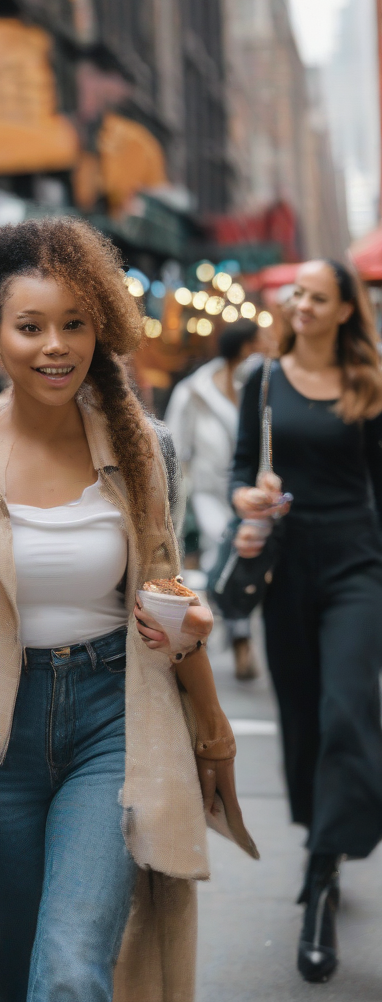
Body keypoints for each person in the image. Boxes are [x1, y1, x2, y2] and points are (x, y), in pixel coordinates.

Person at [0, 218, 253, 1002]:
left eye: (74, 323)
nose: (56, 346)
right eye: (31, 326)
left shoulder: (145, 447)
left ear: (100, 326)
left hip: (112, 726)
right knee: (6, 966)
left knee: (73, 969)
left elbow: (167, 598)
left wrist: (211, 726)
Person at [231, 259, 382, 983]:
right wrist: (247, 501)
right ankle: (323, 839)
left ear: (347, 310)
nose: (303, 305)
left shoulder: (367, 386)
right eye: (298, 295)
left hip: (358, 562)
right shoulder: (262, 379)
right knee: (303, 717)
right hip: (286, 565)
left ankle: (323, 876)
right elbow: (236, 473)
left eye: (319, 297)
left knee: (348, 708)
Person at [165, 320, 262, 678]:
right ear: (245, 347)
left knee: (249, 559)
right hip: (209, 492)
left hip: (254, 494)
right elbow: (174, 447)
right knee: (225, 550)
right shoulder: (195, 390)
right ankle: (237, 634)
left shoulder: (261, 383)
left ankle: (236, 628)